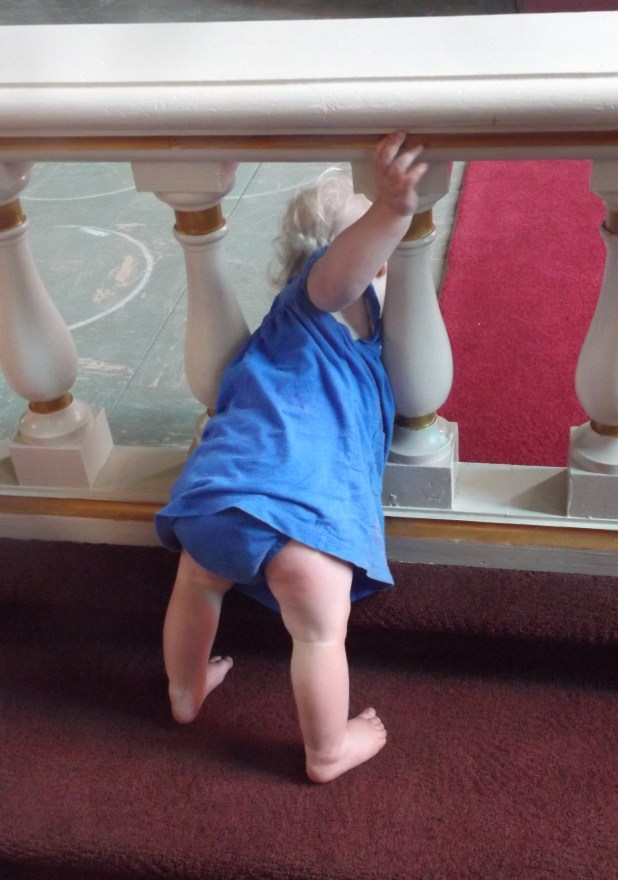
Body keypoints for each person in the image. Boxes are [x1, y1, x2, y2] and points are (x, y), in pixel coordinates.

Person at [156, 131, 428, 783]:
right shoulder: (326, 297)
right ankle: (328, 750)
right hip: (299, 511)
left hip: (217, 499)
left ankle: (185, 690)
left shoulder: (277, 333)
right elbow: (344, 273)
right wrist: (392, 210)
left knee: (196, 585)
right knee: (318, 635)